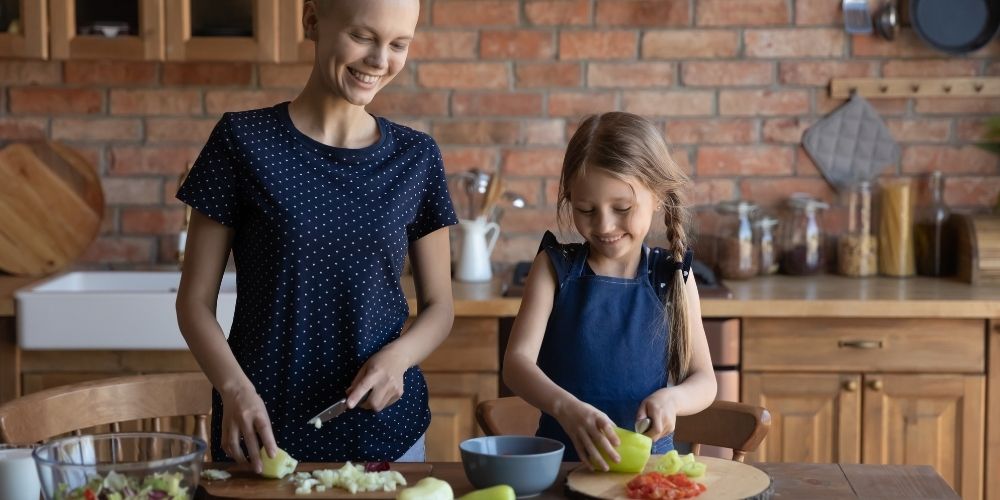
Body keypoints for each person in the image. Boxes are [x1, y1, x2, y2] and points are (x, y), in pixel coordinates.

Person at [175, 0, 456, 473]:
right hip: (262, 434)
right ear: (311, 21)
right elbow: (193, 304)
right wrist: (234, 390)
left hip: (386, 434)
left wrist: (399, 359)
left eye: (398, 44)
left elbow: (440, 307)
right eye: (363, 37)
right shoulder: (240, 142)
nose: (379, 60)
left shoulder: (417, 157)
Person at [502, 112, 717, 470]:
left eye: (622, 209)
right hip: (564, 469)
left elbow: (704, 380)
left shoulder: (673, 274)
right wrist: (564, 408)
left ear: (658, 198)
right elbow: (516, 365)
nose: (604, 225)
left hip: (650, 470)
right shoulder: (553, 268)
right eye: (586, 209)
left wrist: (673, 399)